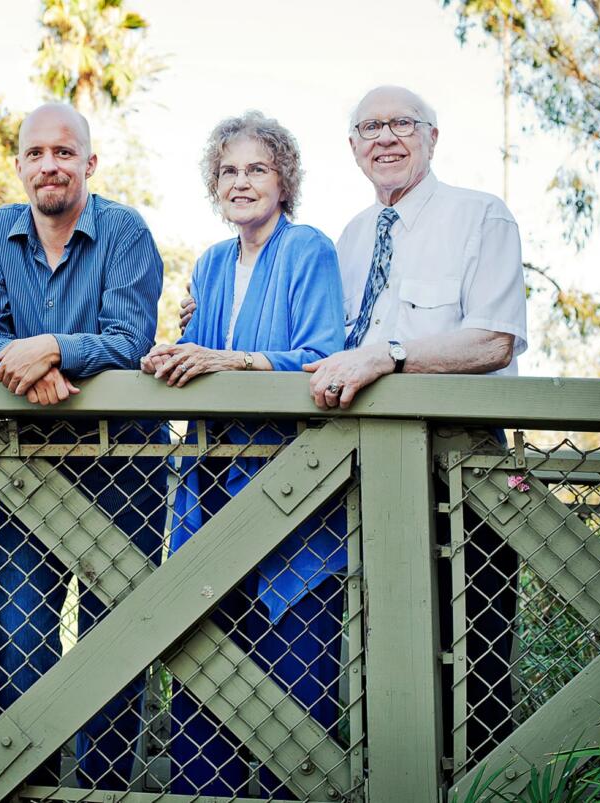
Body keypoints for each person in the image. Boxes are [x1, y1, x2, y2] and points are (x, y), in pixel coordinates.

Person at [308, 86, 527, 758]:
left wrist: (392, 354)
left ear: (433, 136)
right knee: (377, 656)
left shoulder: (481, 217)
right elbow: (318, 350)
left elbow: (494, 340)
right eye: (368, 126)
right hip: (360, 475)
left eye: (401, 122)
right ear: (352, 149)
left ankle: (481, 785)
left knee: (473, 659)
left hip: (462, 470)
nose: (385, 137)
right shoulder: (345, 238)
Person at [0, 102, 166, 790]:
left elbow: (130, 338)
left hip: (125, 466)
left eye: (64, 151)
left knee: (114, 639)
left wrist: (50, 347)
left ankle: (104, 789)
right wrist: (38, 366)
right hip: (28, 467)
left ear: (88, 163)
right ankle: (34, 784)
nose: (49, 164)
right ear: (20, 164)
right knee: (21, 641)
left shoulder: (125, 231)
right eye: (36, 153)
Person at [141, 111, 346, 798]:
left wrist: (225, 359)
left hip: (292, 495)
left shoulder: (309, 249)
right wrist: (172, 355)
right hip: (210, 493)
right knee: (207, 682)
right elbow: (199, 360)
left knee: (297, 692)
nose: (241, 181)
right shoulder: (207, 262)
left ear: (284, 179)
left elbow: (321, 357)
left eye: (257, 168)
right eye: (228, 170)